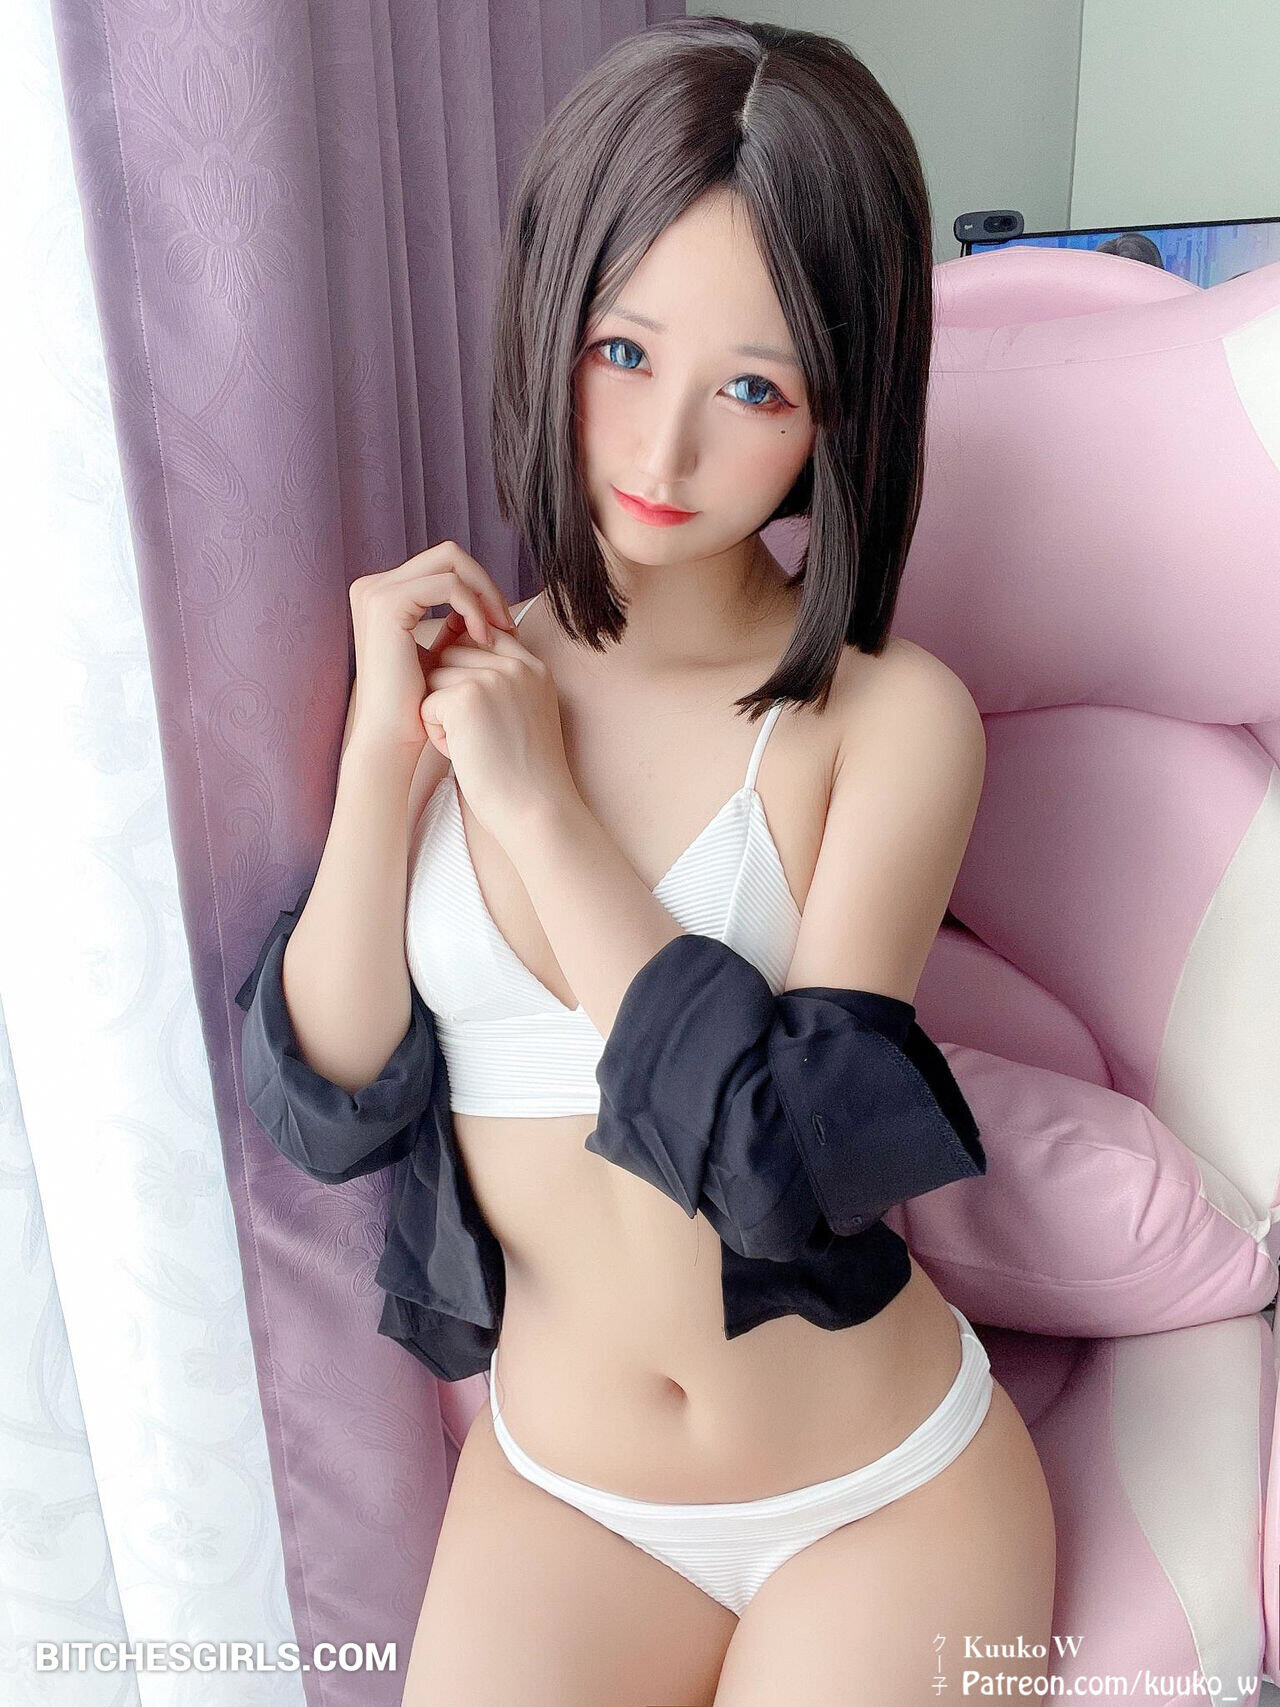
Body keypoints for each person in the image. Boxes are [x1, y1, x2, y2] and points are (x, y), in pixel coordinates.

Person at [277, 18, 1057, 1702]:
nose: (660, 454)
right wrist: (376, 761)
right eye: (622, 352)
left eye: (753, 389)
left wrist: (539, 813)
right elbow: (330, 1098)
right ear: (551, 316)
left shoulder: (888, 721)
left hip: (879, 1497)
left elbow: (784, 1167)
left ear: (840, 409)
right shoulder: (455, 671)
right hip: (564, 1498)